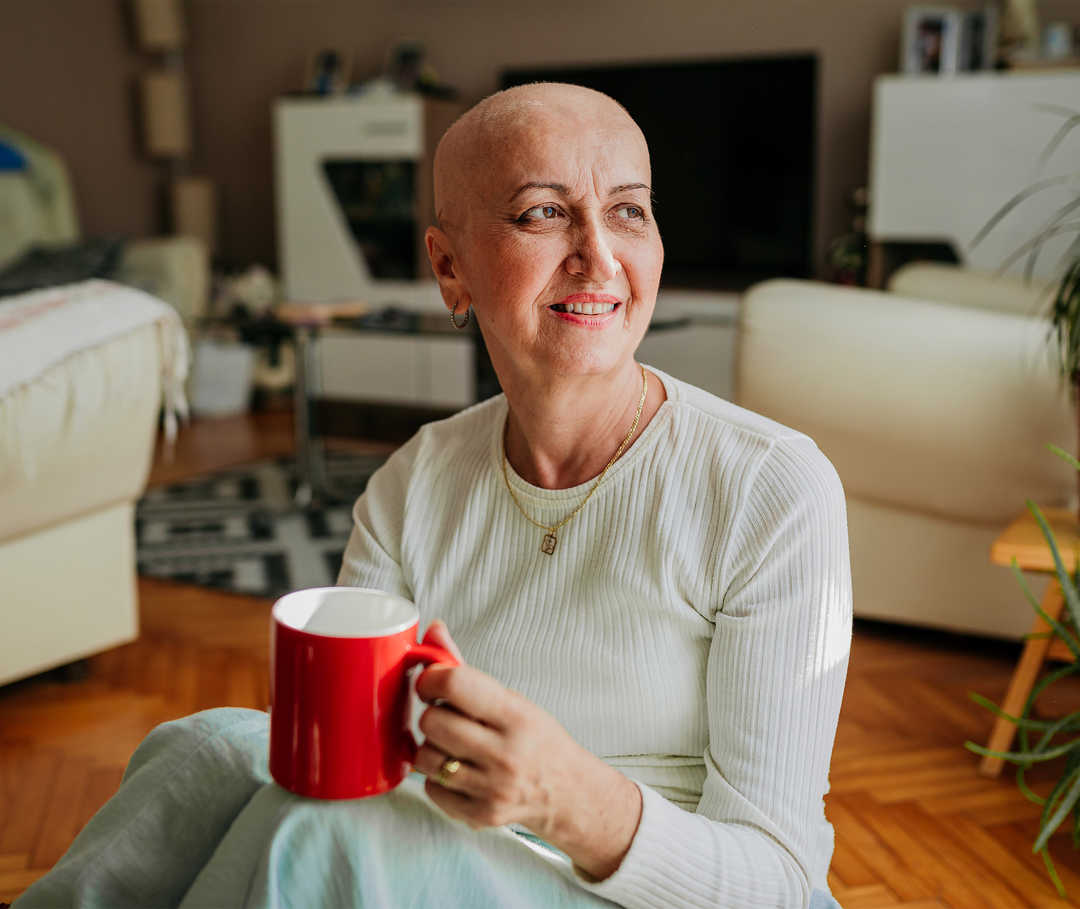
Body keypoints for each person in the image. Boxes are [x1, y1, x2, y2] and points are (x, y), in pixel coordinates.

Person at [16, 83, 850, 909]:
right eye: (542, 213)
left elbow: (780, 880)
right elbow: (352, 750)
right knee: (206, 747)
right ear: (450, 268)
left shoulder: (769, 488)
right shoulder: (417, 480)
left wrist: (568, 797)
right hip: (458, 836)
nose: (599, 254)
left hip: (657, 888)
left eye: (629, 210)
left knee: (321, 838)